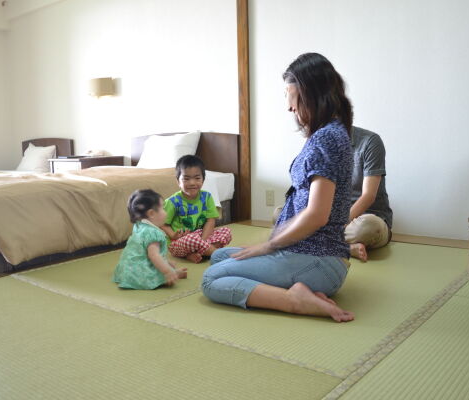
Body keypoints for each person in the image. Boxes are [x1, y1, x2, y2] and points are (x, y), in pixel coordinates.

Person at [201, 52, 355, 322]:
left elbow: (316, 215)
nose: (289, 106)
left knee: (212, 279)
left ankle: (294, 300)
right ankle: (300, 288)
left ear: (309, 93)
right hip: (313, 256)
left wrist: (268, 246)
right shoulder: (331, 132)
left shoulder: (326, 139)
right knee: (221, 257)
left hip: (317, 259)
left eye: (289, 94)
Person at [162, 155, 232, 264]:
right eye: (186, 179)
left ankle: (198, 253)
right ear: (178, 181)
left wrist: (202, 241)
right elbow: (163, 224)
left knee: (226, 232)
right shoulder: (172, 201)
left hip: (201, 236)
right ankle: (218, 255)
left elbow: (210, 221)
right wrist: (172, 235)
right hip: (179, 241)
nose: (192, 183)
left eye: (197, 178)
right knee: (192, 239)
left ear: (203, 180)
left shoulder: (207, 197)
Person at [112, 189, 187, 289]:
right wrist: (167, 271)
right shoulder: (153, 233)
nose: (165, 212)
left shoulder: (139, 226)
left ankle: (169, 270)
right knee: (165, 273)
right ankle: (173, 274)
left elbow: (142, 253)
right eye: (163, 208)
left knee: (162, 265)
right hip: (140, 274)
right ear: (151, 213)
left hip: (126, 271)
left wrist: (166, 262)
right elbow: (153, 256)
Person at [346, 126, 393, 262]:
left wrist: (336, 225)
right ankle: (344, 248)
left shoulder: (370, 141)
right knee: (281, 215)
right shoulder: (319, 142)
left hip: (365, 219)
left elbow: (368, 196)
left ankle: (319, 242)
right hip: (332, 221)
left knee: (369, 227)